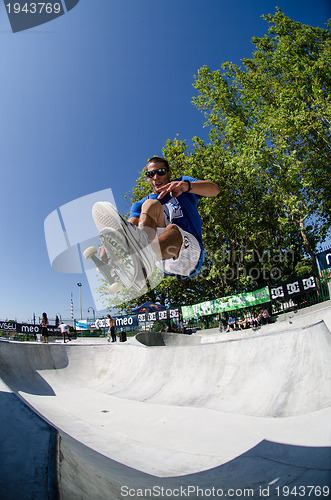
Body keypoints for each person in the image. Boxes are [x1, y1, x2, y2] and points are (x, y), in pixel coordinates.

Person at [93, 157, 220, 281]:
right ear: (147, 178)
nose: (156, 177)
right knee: (150, 205)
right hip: (162, 260)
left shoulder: (182, 183)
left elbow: (215, 190)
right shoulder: (139, 205)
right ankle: (130, 261)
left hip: (191, 254)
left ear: (168, 173)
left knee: (172, 229)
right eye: (151, 174)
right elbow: (131, 227)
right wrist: (112, 245)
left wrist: (186, 186)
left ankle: (139, 257)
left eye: (160, 172)